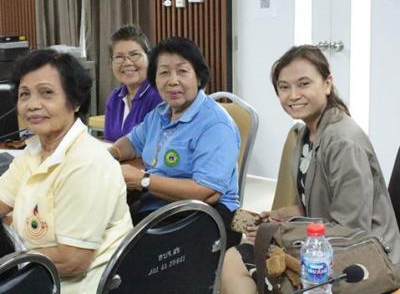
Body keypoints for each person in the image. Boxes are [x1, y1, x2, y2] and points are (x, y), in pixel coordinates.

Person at [221, 45, 400, 294]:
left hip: (368, 260)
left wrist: (280, 233)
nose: (293, 95)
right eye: (284, 87)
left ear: (327, 84)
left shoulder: (343, 142)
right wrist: (283, 215)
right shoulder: (307, 133)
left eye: (304, 84)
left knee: (237, 260)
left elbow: (352, 228)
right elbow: (319, 203)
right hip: (329, 243)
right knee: (240, 256)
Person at [0, 49, 132, 293]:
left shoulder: (87, 162)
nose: (32, 105)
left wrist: (11, 261)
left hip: (73, 286)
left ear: (75, 101)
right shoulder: (35, 151)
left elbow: (72, 261)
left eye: (46, 93)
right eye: (24, 94)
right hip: (33, 272)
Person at [110, 37, 241, 247]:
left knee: (118, 245)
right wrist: (111, 154)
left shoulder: (216, 124)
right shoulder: (160, 113)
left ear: (198, 77)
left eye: (182, 71)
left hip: (203, 216)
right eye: (164, 73)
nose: (172, 81)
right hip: (158, 205)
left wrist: (143, 180)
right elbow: (132, 143)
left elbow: (206, 192)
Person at [104, 25, 162, 142]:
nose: (127, 62)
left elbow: (157, 145)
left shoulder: (159, 96)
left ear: (149, 58)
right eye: (119, 57)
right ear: (111, 64)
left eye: (134, 55)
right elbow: (109, 142)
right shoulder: (114, 98)